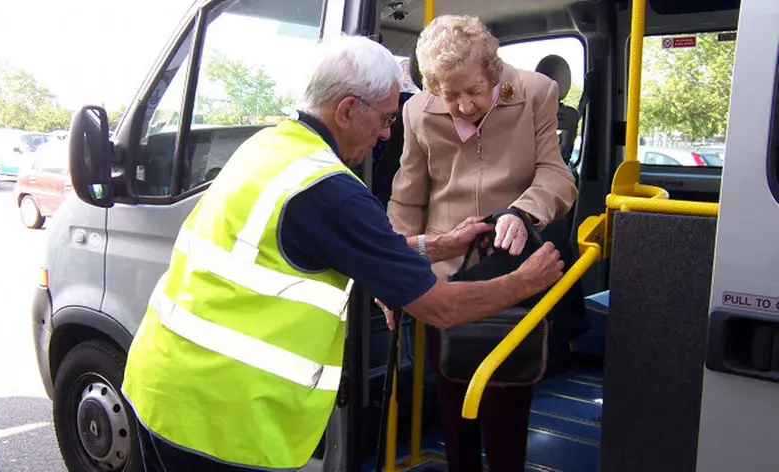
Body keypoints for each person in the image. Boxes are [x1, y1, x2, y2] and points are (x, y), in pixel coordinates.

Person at [120, 34, 565, 472]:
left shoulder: (270, 146)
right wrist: (527, 281)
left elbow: (330, 241)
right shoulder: (335, 194)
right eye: (386, 120)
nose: (386, 135)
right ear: (349, 109)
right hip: (223, 419)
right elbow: (441, 308)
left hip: (159, 385)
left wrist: (440, 243)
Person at [385, 15, 579, 472]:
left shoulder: (536, 93)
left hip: (513, 269)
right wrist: (393, 269)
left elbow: (555, 174)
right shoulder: (417, 112)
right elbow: (407, 199)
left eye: (473, 90)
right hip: (445, 278)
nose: (463, 105)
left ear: (492, 70)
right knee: (452, 401)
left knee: (507, 403)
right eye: (449, 95)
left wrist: (522, 210)